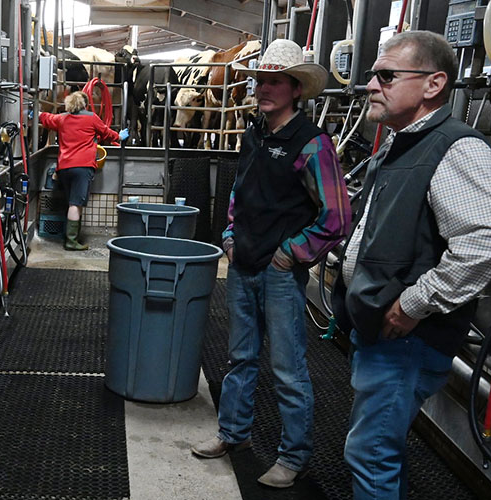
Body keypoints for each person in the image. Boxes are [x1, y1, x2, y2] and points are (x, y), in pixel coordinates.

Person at [332, 31, 491, 500]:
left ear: (434, 84)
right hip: (383, 333)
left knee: (371, 454)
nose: (371, 86)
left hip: (406, 339)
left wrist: (412, 303)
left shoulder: (453, 146)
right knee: (375, 449)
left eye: (386, 76)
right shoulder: (400, 146)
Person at [190, 39, 351, 489]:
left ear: (296, 89)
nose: (264, 88)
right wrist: (228, 234)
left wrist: (293, 253)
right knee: (240, 357)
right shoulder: (254, 134)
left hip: (278, 272)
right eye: (260, 80)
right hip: (243, 264)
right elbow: (240, 190)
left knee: (287, 368)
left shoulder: (312, 144)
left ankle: (293, 456)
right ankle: (233, 434)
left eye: (275, 81)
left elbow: (336, 217)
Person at [37, 91, 127, 250]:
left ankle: (72, 236)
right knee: (75, 204)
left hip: (64, 167)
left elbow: (46, 118)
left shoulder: (62, 118)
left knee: (71, 202)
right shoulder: (91, 118)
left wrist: (32, 112)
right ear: (84, 104)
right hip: (82, 167)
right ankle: (71, 241)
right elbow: (106, 132)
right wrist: (119, 137)